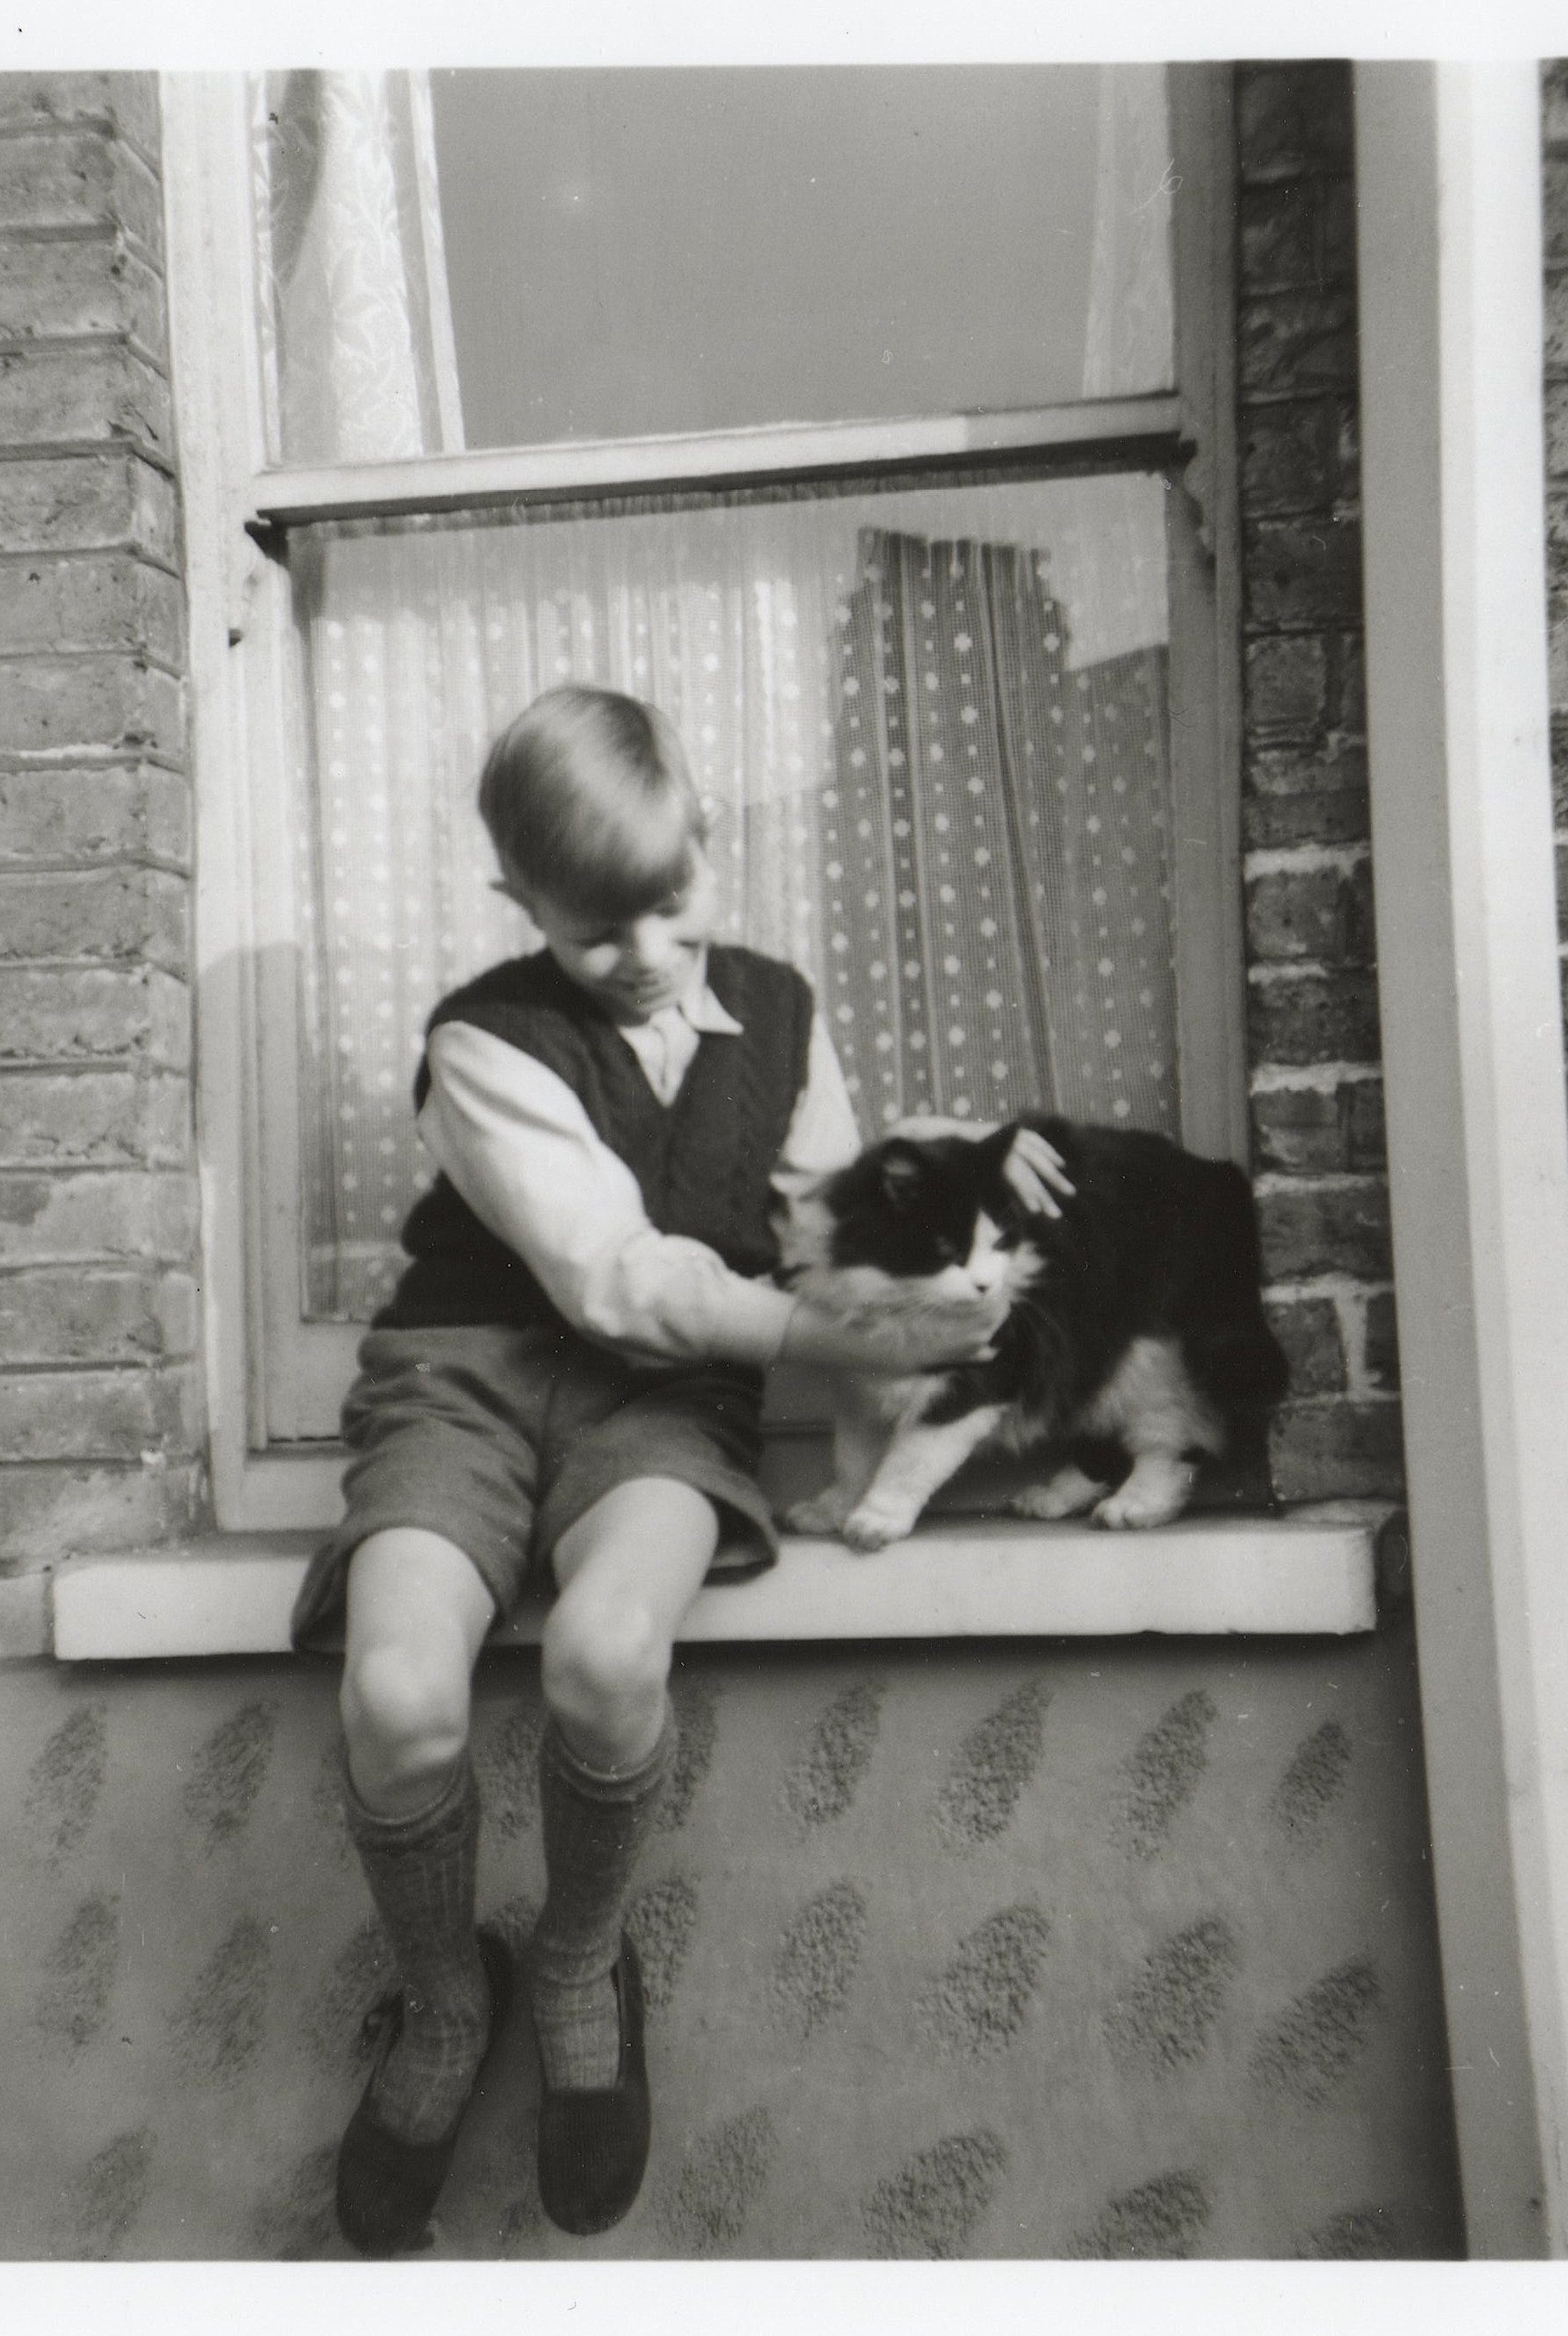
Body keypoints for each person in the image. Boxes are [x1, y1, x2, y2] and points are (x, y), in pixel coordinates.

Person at [291, 684, 1069, 2253]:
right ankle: (447, 1999)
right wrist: (839, 1347)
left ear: (707, 844)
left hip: (659, 1412)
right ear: (522, 908)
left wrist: (987, 1171)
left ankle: (579, 1960)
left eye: (668, 901)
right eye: (593, 931)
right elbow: (615, 1280)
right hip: (466, 1383)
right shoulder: (481, 1042)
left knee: (604, 1651)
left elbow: (822, 1212)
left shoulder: (777, 1011)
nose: (642, 950)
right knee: (396, 1696)